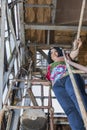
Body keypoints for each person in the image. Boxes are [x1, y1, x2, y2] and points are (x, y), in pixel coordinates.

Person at [32, 39, 87, 130]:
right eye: (52, 52)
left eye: (56, 51)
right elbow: (48, 82)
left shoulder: (65, 57)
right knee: (69, 109)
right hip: (57, 86)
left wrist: (76, 46)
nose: (55, 53)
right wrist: (37, 81)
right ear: (50, 56)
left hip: (68, 76)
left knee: (77, 96)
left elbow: (74, 53)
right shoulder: (50, 67)